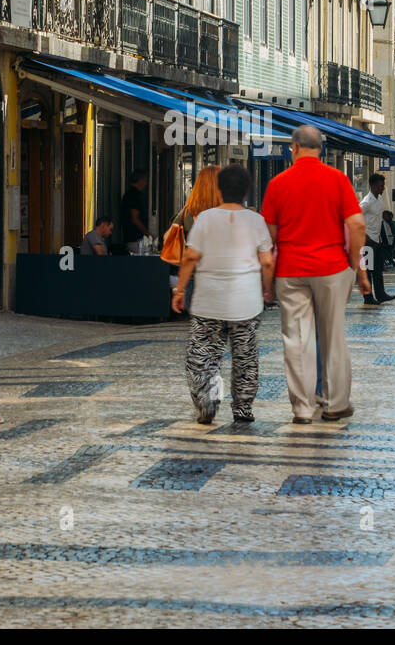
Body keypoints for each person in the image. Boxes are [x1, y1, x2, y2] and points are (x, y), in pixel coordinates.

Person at [261, 126, 368, 423]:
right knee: (332, 337)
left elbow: (268, 235)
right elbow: (357, 225)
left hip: (291, 270)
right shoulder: (338, 179)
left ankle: (302, 409)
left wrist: (266, 282)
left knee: (296, 340)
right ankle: (335, 404)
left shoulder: (277, 184)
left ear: (293, 148)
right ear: (320, 148)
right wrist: (353, 262)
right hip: (332, 267)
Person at [171, 164, 274, 424]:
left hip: (209, 301)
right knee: (245, 357)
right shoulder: (255, 220)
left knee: (204, 356)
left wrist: (180, 289)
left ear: (220, 188)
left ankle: (208, 402)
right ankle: (242, 408)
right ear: (246, 190)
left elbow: (191, 256)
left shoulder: (205, 218)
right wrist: (267, 287)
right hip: (246, 302)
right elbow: (268, 261)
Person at [359, 172, 395, 306]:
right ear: (373, 186)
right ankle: (368, 298)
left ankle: (381, 294)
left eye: (383, 185)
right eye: (381, 186)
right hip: (367, 241)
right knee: (367, 271)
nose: (383, 188)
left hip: (377, 239)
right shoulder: (366, 202)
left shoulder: (379, 199)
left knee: (378, 269)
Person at [118, 169, 150, 253]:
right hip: (135, 239)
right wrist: (147, 234)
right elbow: (135, 219)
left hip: (130, 238)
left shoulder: (128, 195)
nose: (146, 184)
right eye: (145, 180)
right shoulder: (134, 196)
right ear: (140, 180)